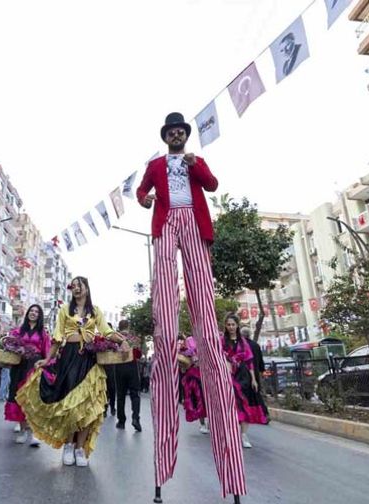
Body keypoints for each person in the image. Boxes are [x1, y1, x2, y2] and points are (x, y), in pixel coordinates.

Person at [137, 112, 245, 500]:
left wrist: (197, 165)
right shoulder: (154, 165)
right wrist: (146, 198)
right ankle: (162, 469)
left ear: (185, 135)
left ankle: (230, 472)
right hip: (166, 224)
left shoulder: (194, 162)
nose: (177, 134)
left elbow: (213, 186)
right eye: (172, 131)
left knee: (203, 301)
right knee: (165, 324)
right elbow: (141, 192)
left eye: (181, 130)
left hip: (196, 225)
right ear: (166, 136)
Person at [16, 277, 128, 468]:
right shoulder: (64, 310)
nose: (76, 289)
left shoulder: (96, 311)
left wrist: (122, 340)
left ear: (86, 288)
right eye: (73, 286)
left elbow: (106, 331)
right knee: (70, 405)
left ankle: (79, 449)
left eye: (79, 285)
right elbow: (58, 338)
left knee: (88, 405)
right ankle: (68, 446)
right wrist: (48, 359)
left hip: (90, 360)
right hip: (69, 359)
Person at [5, 305, 49, 447]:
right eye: (31, 311)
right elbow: (9, 344)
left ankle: (35, 434)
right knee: (20, 398)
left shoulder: (43, 333)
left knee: (34, 400)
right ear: (28, 313)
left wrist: (47, 365)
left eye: (36, 312)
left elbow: (47, 352)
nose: (33, 313)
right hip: (19, 366)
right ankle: (23, 431)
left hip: (35, 367)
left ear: (39, 315)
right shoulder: (18, 330)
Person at [222, 315, 268, 449]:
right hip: (228, 375)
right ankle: (231, 433)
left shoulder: (243, 342)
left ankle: (243, 435)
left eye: (233, 324)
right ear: (225, 326)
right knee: (231, 405)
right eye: (228, 324)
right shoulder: (222, 341)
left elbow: (249, 362)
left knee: (244, 404)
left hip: (243, 375)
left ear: (237, 325)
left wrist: (253, 379)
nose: (231, 327)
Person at [114, 320, 142, 432]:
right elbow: (139, 355)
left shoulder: (115, 338)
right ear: (128, 327)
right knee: (135, 394)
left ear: (119, 327)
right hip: (132, 367)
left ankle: (121, 421)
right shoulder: (133, 338)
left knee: (120, 395)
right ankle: (135, 418)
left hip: (119, 367)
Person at [181, 335, 208, 434]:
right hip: (194, 373)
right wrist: (192, 359)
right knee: (199, 398)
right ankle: (202, 423)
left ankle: (211, 422)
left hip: (208, 372)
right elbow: (184, 356)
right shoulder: (189, 340)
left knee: (209, 398)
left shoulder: (208, 337)